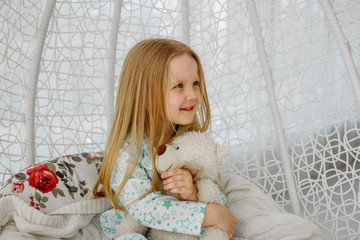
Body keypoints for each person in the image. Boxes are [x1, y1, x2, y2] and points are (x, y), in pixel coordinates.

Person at [92, 38, 237, 240]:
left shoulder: (188, 141)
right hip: (141, 231)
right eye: (179, 86)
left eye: (195, 83)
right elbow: (144, 206)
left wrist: (194, 193)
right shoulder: (129, 151)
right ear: (145, 95)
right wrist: (206, 214)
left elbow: (215, 189)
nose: (192, 95)